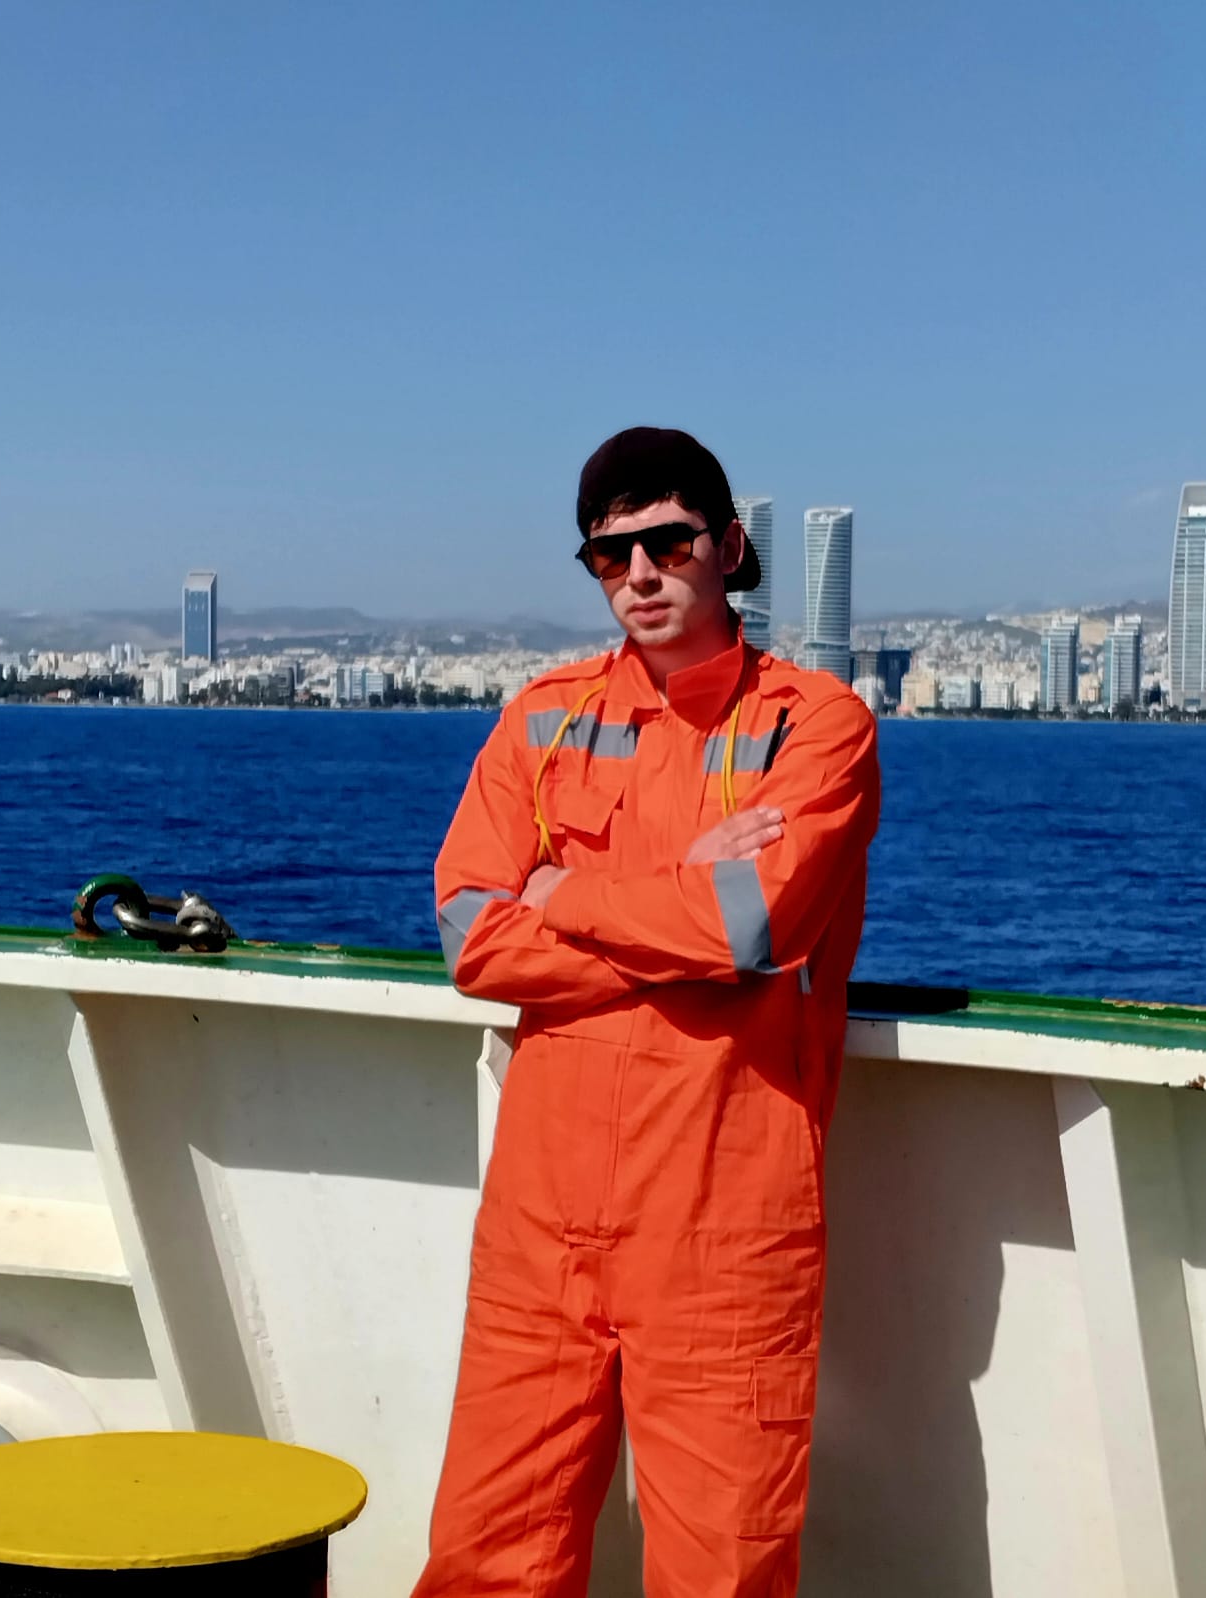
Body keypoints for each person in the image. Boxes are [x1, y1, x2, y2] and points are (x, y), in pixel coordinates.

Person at [414, 426, 880, 1598]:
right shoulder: (540, 716)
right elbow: (471, 934)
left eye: (668, 543)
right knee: (484, 1560)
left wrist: (560, 892)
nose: (638, 574)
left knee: (720, 1571)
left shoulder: (816, 724)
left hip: (723, 1223)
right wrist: (677, 908)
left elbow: (749, 928)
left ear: (727, 546)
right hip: (538, 1224)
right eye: (607, 554)